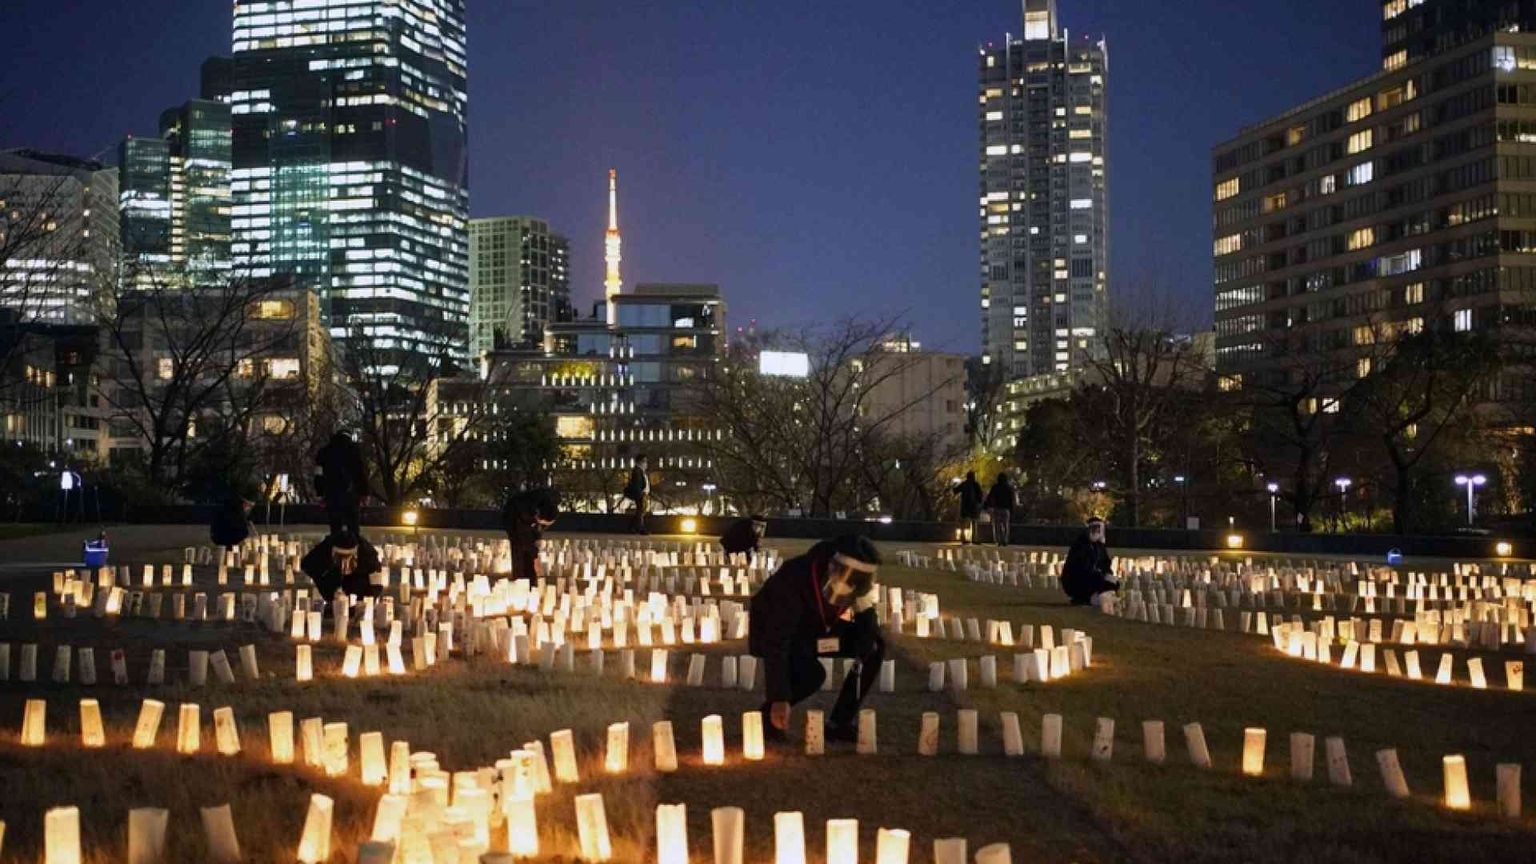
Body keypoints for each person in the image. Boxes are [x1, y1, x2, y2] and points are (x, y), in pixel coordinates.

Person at [748, 534, 884, 744]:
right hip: (776, 633)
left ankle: (839, 723)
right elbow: (776, 640)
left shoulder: (857, 581)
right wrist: (779, 698)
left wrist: (865, 638)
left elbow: (866, 617)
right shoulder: (793, 578)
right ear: (831, 567)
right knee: (812, 675)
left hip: (817, 632)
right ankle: (767, 719)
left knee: (874, 646)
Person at [301, 528, 384, 605]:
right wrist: (322, 580)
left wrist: (366, 603)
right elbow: (307, 565)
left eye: (350, 559)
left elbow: (376, 584)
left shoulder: (368, 555)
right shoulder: (324, 549)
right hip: (332, 593)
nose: (345, 565)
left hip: (360, 596)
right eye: (339, 559)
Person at [315, 431, 369, 540]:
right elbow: (361, 473)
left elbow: (318, 475)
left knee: (335, 527)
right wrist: (364, 493)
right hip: (351, 494)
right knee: (353, 527)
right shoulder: (354, 450)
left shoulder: (324, 452)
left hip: (332, 494)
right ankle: (354, 546)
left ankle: (336, 546)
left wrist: (320, 494)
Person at [502, 487, 560, 584]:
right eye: (542, 523)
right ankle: (521, 579)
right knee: (520, 550)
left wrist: (538, 536)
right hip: (513, 520)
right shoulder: (522, 509)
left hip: (527, 520)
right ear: (537, 515)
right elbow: (522, 534)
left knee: (531, 549)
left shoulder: (548, 504)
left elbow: (540, 527)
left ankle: (531, 578)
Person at [1061, 516, 1119, 605]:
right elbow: (1081, 568)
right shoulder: (1081, 545)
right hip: (1077, 580)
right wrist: (1099, 576)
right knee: (1101, 582)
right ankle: (1083, 598)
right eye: (1094, 529)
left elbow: (1105, 564)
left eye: (1098, 529)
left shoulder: (1099, 546)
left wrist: (1108, 575)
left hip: (1092, 577)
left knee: (1114, 582)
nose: (1097, 532)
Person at [984, 473, 1017, 547]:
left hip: (997, 508)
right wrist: (1012, 509)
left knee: (997, 525)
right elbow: (1012, 499)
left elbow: (990, 497)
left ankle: (998, 540)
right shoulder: (1009, 488)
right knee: (1005, 525)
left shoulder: (995, 487)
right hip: (1006, 509)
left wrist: (987, 505)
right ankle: (1005, 540)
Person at [952, 471, 985, 544]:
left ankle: (963, 538)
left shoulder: (964, 484)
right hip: (973, 507)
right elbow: (980, 495)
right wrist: (979, 503)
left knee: (964, 523)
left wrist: (954, 485)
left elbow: (955, 491)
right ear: (973, 477)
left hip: (965, 506)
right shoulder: (976, 484)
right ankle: (974, 539)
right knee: (974, 523)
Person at [623, 455, 650, 535]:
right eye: (644, 461)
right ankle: (640, 528)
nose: (646, 463)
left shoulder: (640, 471)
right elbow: (637, 484)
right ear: (640, 462)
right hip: (641, 494)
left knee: (641, 511)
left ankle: (633, 527)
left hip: (642, 494)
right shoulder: (637, 471)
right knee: (641, 511)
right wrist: (640, 494)